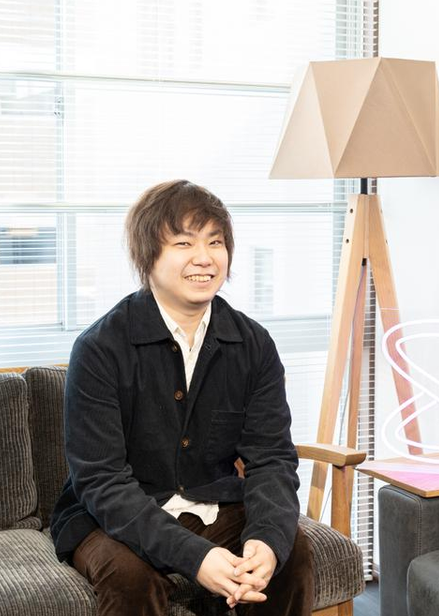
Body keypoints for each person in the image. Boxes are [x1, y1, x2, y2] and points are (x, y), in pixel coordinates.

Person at [49, 180, 313, 616]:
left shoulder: (253, 344)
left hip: (214, 503)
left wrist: (267, 540)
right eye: (184, 243)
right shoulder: (100, 348)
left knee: (290, 553)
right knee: (130, 578)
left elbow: (271, 458)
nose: (204, 258)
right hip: (114, 515)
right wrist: (196, 557)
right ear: (148, 255)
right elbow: (102, 481)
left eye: (215, 242)